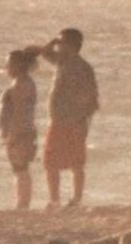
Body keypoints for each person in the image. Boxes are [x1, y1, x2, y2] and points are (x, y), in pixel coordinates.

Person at [38, 28, 99, 209]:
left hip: (74, 121)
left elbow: (91, 97)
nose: (59, 46)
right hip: (57, 120)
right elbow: (45, 52)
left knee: (76, 163)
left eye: (63, 42)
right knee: (50, 162)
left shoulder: (83, 68)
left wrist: (84, 120)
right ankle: (54, 199)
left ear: (72, 45)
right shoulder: (62, 62)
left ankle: (76, 199)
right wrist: (54, 40)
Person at [0, 48, 42, 210]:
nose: (7, 68)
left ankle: (23, 203)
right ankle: (22, 202)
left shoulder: (23, 84)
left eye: (9, 65)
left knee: (20, 167)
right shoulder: (21, 83)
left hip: (20, 132)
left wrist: (12, 135)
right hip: (19, 132)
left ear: (18, 66)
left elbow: (20, 113)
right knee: (18, 168)